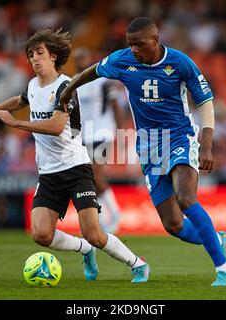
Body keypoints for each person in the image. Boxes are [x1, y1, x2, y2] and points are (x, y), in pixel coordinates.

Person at [0, 28, 149, 283]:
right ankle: (84, 250)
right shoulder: (33, 85)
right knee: (41, 234)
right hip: (48, 172)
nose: (34, 58)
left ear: (53, 56)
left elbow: (57, 127)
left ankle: (138, 264)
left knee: (95, 234)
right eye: (30, 54)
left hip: (76, 168)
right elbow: (20, 100)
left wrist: (16, 124)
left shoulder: (65, 87)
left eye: (39, 53)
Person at [60, 17, 226, 286]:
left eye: (139, 45)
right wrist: (68, 89)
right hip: (149, 146)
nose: (134, 50)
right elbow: (93, 71)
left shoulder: (179, 62)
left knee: (186, 198)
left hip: (179, 137)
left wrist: (207, 144)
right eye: (130, 45)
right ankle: (218, 239)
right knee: (173, 225)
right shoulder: (122, 60)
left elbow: (205, 102)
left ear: (155, 40)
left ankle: (224, 270)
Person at [72, 47, 124, 233]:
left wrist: (121, 133)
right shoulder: (73, 83)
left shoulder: (103, 81)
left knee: (93, 174)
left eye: (84, 56)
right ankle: (103, 219)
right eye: (78, 57)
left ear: (90, 58)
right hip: (83, 136)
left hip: (102, 133)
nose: (81, 60)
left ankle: (115, 213)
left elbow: (116, 105)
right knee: (90, 178)